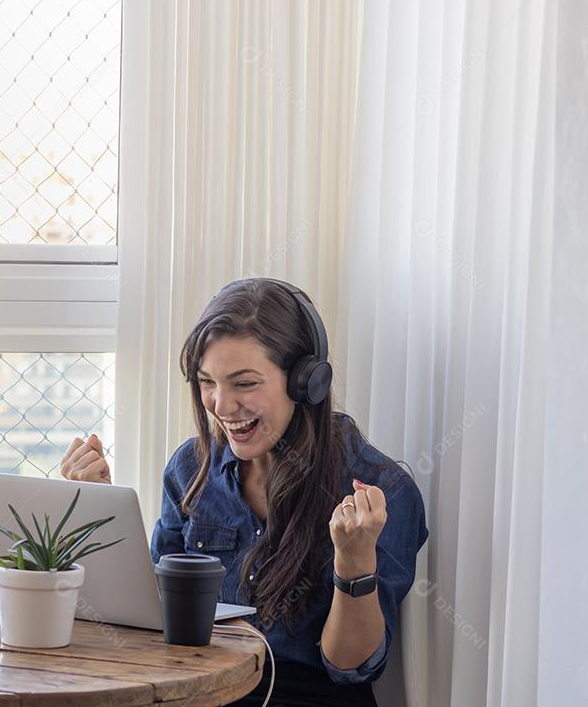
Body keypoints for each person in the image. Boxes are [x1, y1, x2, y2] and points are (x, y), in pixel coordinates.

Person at [62, 277, 428, 706]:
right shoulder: (190, 468)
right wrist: (98, 510)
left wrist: (354, 560)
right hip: (197, 692)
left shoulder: (382, 490)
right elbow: (151, 618)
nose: (220, 405)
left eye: (244, 383)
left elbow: (349, 665)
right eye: (206, 382)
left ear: (306, 382)